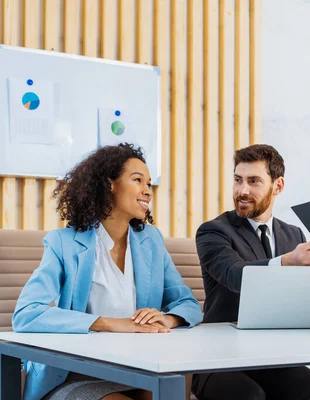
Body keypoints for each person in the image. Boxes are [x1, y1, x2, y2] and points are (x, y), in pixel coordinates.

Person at [13, 143, 203, 400]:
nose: (147, 190)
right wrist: (108, 324)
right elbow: (26, 314)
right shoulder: (64, 243)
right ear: (109, 184)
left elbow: (187, 303)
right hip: (76, 375)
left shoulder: (151, 242)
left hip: (140, 368)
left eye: (149, 183)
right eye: (137, 180)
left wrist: (167, 319)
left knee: (176, 385)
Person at [193, 144, 310, 400]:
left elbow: (299, 297)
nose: (242, 190)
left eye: (254, 181)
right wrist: (288, 261)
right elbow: (234, 275)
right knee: (249, 396)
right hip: (218, 360)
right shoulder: (213, 232)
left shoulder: (292, 235)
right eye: (237, 180)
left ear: (278, 186)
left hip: (273, 358)